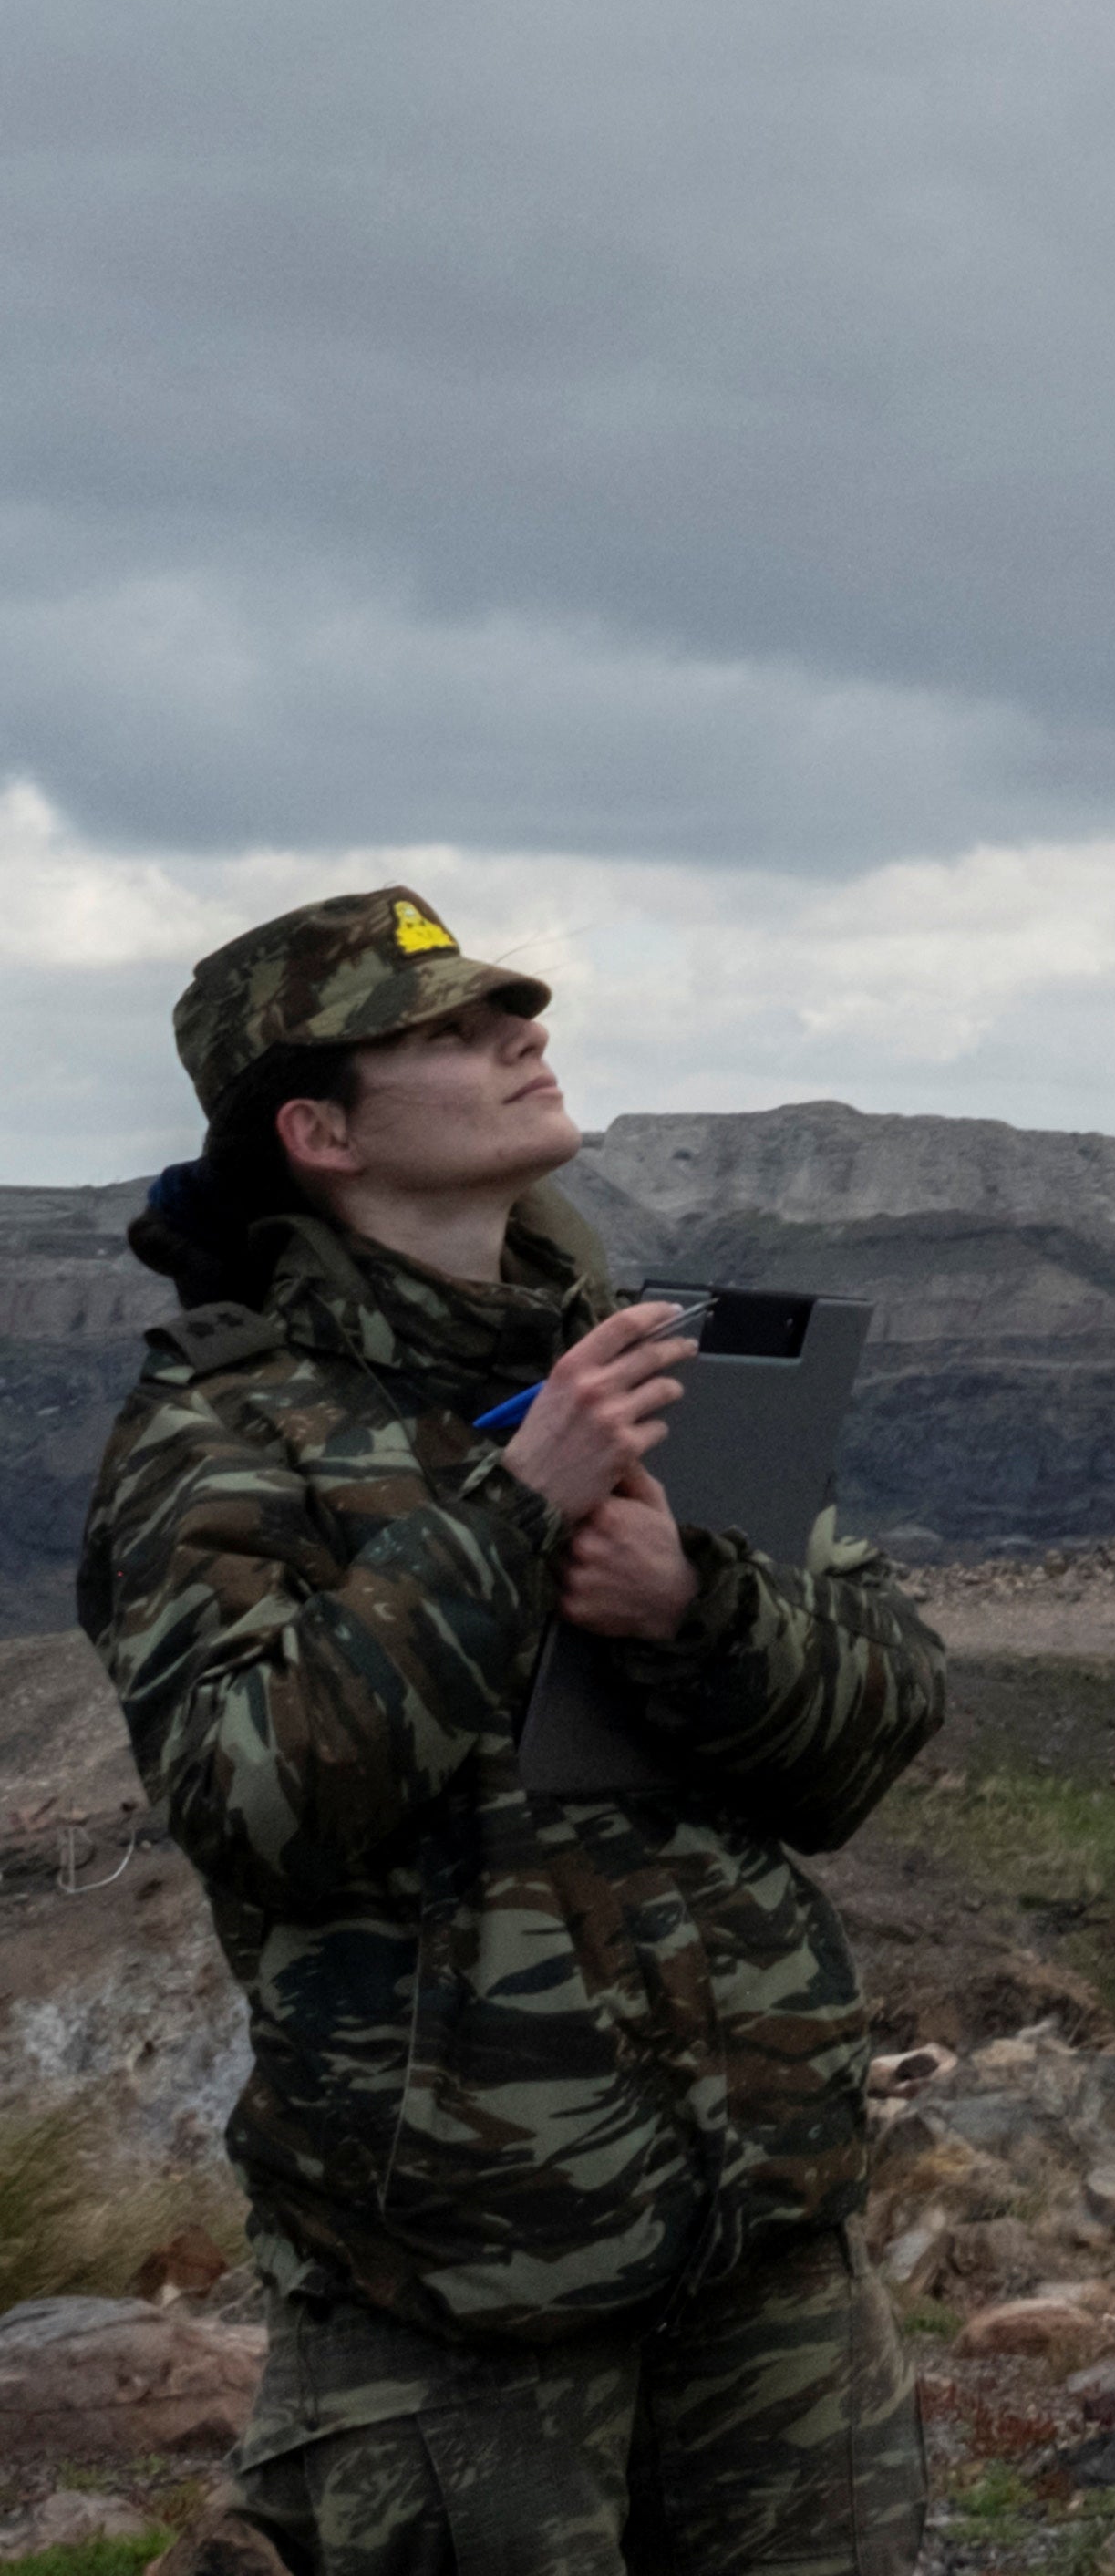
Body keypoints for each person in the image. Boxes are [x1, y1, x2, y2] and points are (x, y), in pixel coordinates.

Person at [87, 888, 948, 2573]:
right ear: (319, 1129)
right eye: (449, 1033)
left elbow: (882, 1717)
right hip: (461, 2311)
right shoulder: (221, 1434)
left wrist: (693, 1607)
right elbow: (248, 1798)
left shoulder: (651, 1378)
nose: (518, 1041)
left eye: (513, 1017)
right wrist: (509, 1514)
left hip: (765, 2261)